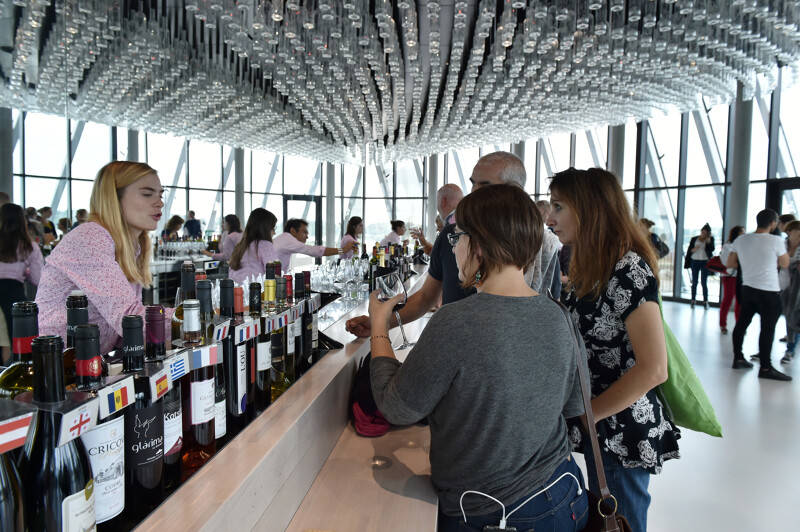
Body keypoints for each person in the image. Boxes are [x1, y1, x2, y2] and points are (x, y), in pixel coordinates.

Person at [369, 184, 588, 532]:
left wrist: (378, 323)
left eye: (458, 238)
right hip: (565, 495)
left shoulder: (456, 321)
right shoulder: (559, 315)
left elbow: (396, 406)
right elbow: (575, 403)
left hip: (492, 513)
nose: (454, 248)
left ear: (480, 246)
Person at [547, 168, 679, 532]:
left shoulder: (628, 268)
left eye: (559, 206)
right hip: (599, 424)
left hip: (619, 428)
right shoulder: (592, 266)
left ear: (589, 209)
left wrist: (587, 415)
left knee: (620, 522)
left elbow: (654, 368)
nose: (550, 217)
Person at [346, 151, 561, 336]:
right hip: (453, 348)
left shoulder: (542, 246)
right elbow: (425, 298)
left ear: (513, 192)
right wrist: (379, 322)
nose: (474, 191)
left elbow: (549, 313)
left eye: (484, 185)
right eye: (473, 183)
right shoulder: (452, 235)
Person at [35, 161, 174, 354]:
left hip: (88, 366)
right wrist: (192, 317)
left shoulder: (133, 247)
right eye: (147, 193)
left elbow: (121, 331)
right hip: (53, 367)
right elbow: (129, 319)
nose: (159, 202)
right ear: (114, 198)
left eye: (160, 194)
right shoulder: (90, 237)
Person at [727, 209, 792, 381]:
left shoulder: (741, 239)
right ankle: (765, 367)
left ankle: (738, 358)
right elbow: (785, 263)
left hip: (747, 289)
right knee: (767, 329)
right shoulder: (776, 241)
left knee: (741, 324)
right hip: (769, 291)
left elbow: (730, 263)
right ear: (773, 223)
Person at [0, 203, 44, 360]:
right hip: (14, 296)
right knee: (17, 347)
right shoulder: (29, 246)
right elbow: (38, 279)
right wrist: (24, 271)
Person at [273, 218, 357, 272]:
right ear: (293, 231)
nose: (307, 236)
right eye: (304, 232)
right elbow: (314, 251)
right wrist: (343, 250)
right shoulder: (288, 239)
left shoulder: (284, 239)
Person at [228, 208, 280, 285]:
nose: (274, 232)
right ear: (265, 228)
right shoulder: (265, 245)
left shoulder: (241, 246)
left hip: (236, 292)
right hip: (255, 292)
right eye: (273, 228)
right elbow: (274, 274)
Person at [410, 184, 464, 255]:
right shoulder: (463, 220)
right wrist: (422, 239)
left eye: (437, 200)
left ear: (443, 201)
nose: (436, 205)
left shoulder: (451, 225)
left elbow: (442, 256)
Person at [779, 220, 800, 364]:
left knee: (795, 314)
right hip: (784, 284)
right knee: (788, 314)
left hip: (798, 287)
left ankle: (790, 349)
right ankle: (790, 346)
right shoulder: (782, 244)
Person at [719, 226, 745, 335]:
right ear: (736, 234)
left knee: (739, 301)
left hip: (740, 277)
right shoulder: (728, 246)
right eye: (742, 233)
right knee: (727, 300)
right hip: (729, 276)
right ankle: (723, 324)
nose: (744, 235)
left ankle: (739, 326)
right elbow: (726, 263)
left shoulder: (743, 246)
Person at [685, 223, 715, 309]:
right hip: (694, 261)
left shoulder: (710, 239)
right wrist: (694, 249)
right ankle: (693, 300)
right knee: (694, 282)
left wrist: (708, 242)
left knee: (704, 282)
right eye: (703, 232)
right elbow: (689, 250)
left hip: (705, 262)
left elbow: (712, 249)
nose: (703, 233)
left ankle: (705, 301)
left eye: (705, 232)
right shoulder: (694, 239)